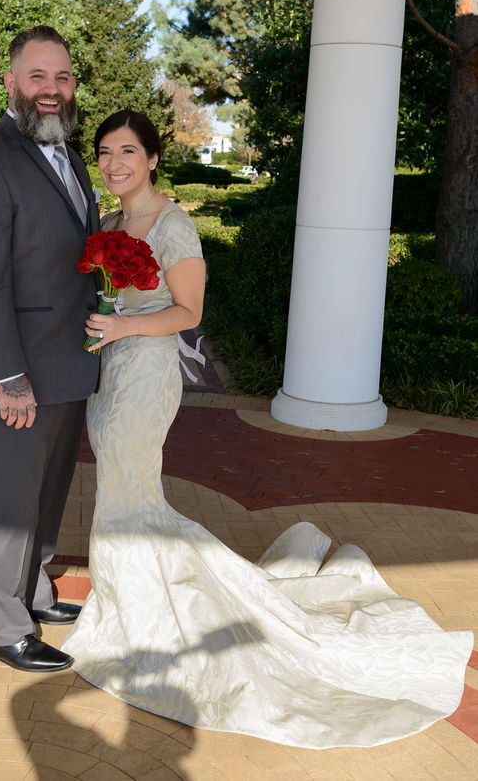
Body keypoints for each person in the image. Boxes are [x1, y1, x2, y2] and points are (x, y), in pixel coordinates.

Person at [61, 109, 473, 748]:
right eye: (106, 153)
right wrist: (105, 318)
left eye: (127, 152)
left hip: (144, 376)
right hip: (109, 370)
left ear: (152, 158)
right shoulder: (111, 223)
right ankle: (127, 609)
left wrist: (122, 326)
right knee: (124, 493)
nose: (114, 164)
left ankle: (135, 620)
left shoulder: (174, 225)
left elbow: (188, 310)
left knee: (130, 490)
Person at [0, 25, 100, 673]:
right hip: (18, 369)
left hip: (69, 361)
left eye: (61, 77)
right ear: (10, 82)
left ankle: (32, 590)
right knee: (6, 500)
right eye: (37, 76)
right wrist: (7, 376)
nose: (51, 89)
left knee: (48, 492)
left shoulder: (69, 154)